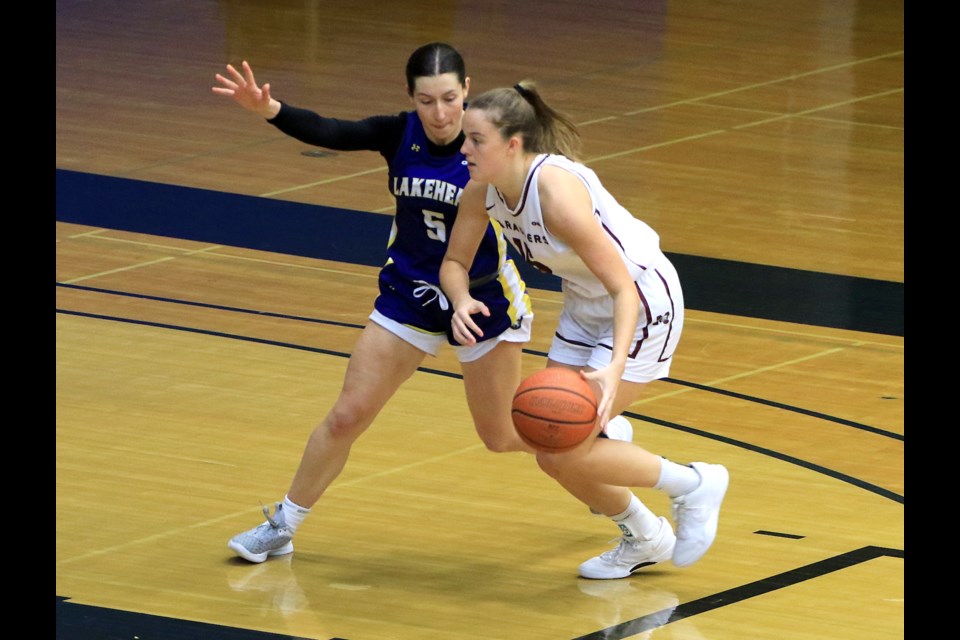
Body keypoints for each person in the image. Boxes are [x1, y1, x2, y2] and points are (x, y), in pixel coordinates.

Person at [211, 43, 547, 563]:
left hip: (482, 303)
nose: (440, 114)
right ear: (410, 97)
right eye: (426, 100)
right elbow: (334, 131)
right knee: (348, 415)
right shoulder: (399, 133)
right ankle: (283, 524)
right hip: (410, 294)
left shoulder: (490, 146)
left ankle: (595, 450)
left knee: (502, 436)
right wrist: (270, 110)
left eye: (451, 99)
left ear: (468, 89)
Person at [439, 81, 730, 579]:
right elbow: (454, 261)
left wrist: (614, 367)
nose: (462, 148)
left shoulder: (556, 196)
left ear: (513, 144)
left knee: (567, 446)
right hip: (584, 306)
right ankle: (643, 537)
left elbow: (623, 289)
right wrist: (460, 299)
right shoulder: (482, 190)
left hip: (642, 301)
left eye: (475, 139)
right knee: (551, 449)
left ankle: (694, 483)